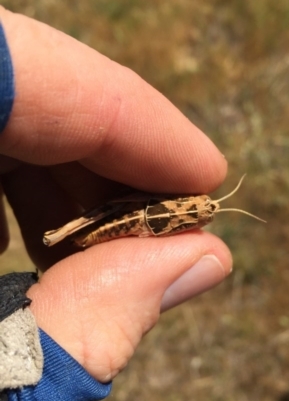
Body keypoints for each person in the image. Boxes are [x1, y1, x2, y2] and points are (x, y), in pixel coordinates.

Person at [0, 7, 232, 400]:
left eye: (203, 212)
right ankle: (64, 235)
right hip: (120, 220)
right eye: (202, 208)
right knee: (86, 222)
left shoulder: (185, 210)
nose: (204, 211)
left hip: (137, 221)